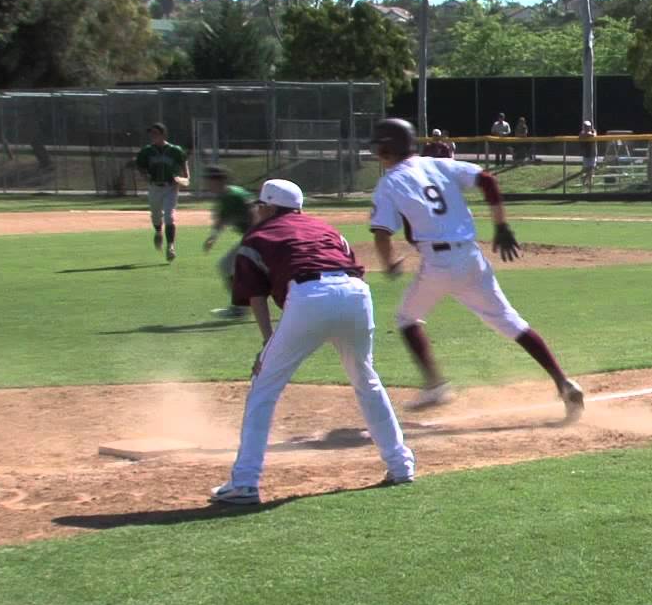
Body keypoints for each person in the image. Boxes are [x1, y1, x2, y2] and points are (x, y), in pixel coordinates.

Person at [209, 179, 416, 505]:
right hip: (356, 294)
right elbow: (349, 265)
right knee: (366, 380)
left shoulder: (258, 236)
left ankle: (245, 482)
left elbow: (256, 296)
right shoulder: (326, 228)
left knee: (264, 388)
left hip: (309, 296)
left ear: (269, 208)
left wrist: (267, 345)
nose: (257, 211)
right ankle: (401, 465)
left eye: (260, 206)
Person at [367, 118, 584, 422]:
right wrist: (501, 227)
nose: (377, 154)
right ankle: (563, 382)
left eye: (379, 148)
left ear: (387, 149)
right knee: (511, 322)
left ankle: (435, 385)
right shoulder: (439, 164)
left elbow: (381, 233)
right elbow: (488, 180)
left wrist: (389, 264)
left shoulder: (389, 183)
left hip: (438, 263)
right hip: (471, 257)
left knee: (406, 319)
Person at [201, 166, 255, 319]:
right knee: (229, 266)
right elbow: (222, 219)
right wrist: (212, 237)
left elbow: (255, 211)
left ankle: (240, 308)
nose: (206, 183)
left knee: (226, 265)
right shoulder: (224, 196)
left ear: (217, 180)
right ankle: (242, 306)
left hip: (258, 237)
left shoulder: (235, 195)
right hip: (254, 237)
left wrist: (256, 235)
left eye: (208, 180)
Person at [134, 122, 189, 261]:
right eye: (151, 133)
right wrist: (144, 175)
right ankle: (158, 232)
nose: (152, 136)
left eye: (155, 133)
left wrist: (186, 177)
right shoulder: (147, 150)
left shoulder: (174, 150)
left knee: (169, 216)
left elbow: (183, 161)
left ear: (163, 134)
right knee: (156, 216)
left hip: (171, 187)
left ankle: (170, 246)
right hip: (154, 187)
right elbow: (140, 165)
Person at [579, 120, 598, 191]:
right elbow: (591, 135)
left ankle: (588, 184)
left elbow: (593, 135)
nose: (587, 128)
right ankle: (588, 184)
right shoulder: (582, 133)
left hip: (592, 153)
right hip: (586, 154)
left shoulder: (592, 132)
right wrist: (594, 133)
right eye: (586, 126)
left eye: (588, 126)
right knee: (588, 169)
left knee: (592, 168)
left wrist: (593, 132)